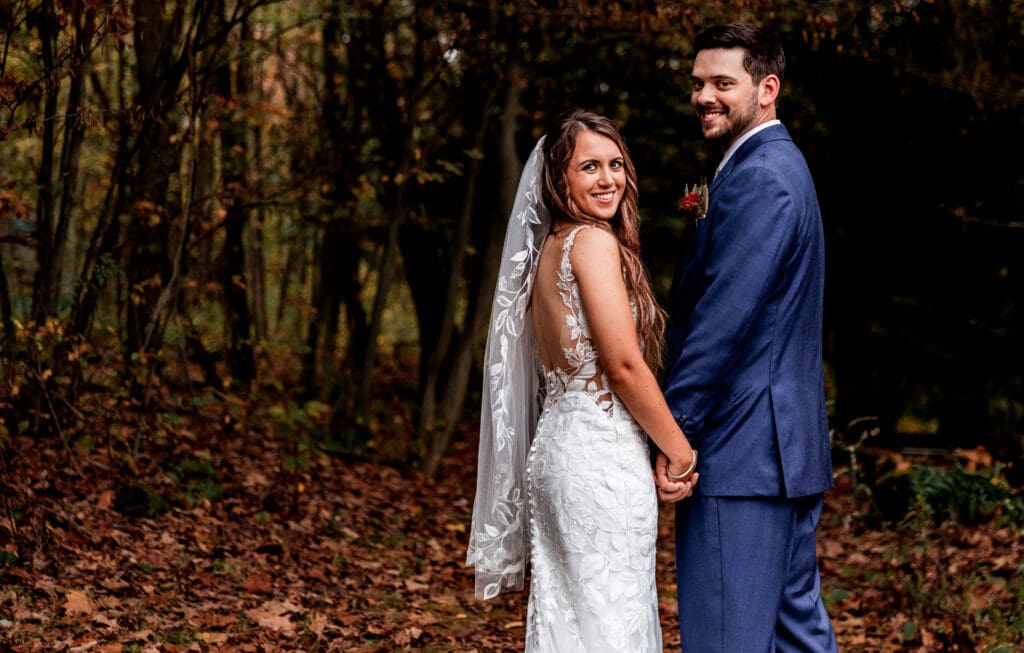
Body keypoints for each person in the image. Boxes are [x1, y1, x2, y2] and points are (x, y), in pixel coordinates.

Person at [466, 108, 698, 651]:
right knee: (612, 626)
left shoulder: (548, 250)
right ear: (558, 178)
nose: (608, 178)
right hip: (600, 462)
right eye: (589, 167)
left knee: (570, 624)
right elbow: (623, 365)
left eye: (615, 164)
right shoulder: (593, 243)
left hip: (556, 454)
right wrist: (680, 453)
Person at [654, 23, 839, 652]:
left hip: (743, 455)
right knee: (795, 636)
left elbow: (720, 325)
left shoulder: (761, 176)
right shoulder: (770, 166)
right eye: (697, 83)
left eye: (721, 83)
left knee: (725, 639)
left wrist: (674, 434)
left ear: (767, 88)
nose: (704, 96)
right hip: (779, 453)